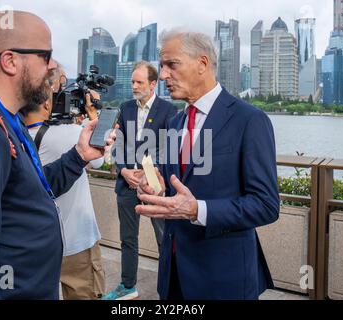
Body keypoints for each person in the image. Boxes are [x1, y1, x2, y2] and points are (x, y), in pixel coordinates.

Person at [0, 11, 115, 300]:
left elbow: (33, 192)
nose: (53, 66)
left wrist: (79, 155)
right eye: (46, 55)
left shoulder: (7, 120)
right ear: (10, 61)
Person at [135, 29, 280, 300]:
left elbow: (266, 206)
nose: (163, 75)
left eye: (171, 65)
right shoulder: (175, 123)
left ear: (202, 64)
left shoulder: (249, 120)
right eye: (161, 66)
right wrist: (157, 185)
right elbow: (177, 187)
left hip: (223, 279)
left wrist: (196, 210)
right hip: (173, 275)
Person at [21, 65, 106, 300]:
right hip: (76, 241)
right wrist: (93, 115)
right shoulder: (70, 134)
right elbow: (100, 159)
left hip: (35, 243)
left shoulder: (15, 134)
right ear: (46, 103)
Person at [103, 61, 177, 300]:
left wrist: (153, 172)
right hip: (127, 185)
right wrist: (123, 170)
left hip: (154, 188)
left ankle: (170, 290)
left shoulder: (168, 110)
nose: (133, 86)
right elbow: (118, 145)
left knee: (164, 240)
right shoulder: (124, 108)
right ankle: (127, 286)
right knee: (127, 239)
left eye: (139, 82)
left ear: (153, 84)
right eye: (132, 82)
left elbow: (171, 150)